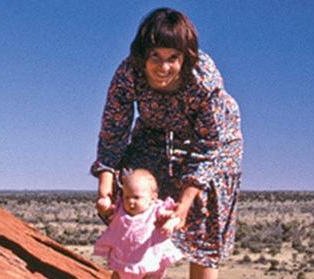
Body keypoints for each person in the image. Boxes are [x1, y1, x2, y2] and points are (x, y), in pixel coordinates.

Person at [91, 7, 243, 279]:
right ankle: (132, 271)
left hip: (214, 143)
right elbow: (113, 129)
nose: (163, 67)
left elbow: (208, 147)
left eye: (173, 58)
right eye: (155, 57)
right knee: (136, 193)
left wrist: (183, 207)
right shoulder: (129, 73)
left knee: (203, 217)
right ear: (143, 54)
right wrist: (105, 189)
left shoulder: (203, 80)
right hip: (154, 131)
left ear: (186, 56)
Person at [93, 168, 184, 279]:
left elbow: (175, 216)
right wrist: (104, 202)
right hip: (124, 259)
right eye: (126, 197)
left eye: (136, 197)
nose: (130, 201)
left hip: (149, 258)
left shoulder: (156, 210)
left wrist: (170, 224)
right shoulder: (120, 210)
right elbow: (108, 211)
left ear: (153, 198)